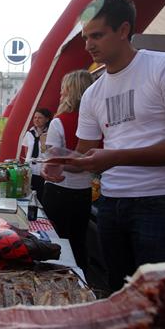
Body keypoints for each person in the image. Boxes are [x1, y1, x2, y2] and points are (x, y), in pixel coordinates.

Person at [43, 0, 165, 291]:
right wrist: (62, 162)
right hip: (111, 203)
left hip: (161, 200)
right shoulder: (93, 92)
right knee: (120, 294)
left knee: (159, 301)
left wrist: (114, 157)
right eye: (85, 37)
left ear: (123, 30)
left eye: (97, 35)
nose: (88, 44)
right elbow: (85, 153)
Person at [42, 70, 94, 271]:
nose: (60, 93)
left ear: (71, 91)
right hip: (84, 190)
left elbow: (53, 160)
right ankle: (82, 283)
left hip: (60, 189)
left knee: (57, 242)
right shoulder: (94, 119)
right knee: (78, 241)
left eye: (64, 88)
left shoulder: (60, 121)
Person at [22, 108, 52, 200]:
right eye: (35, 117)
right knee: (28, 194)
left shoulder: (50, 133)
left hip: (42, 170)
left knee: (41, 195)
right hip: (30, 169)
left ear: (47, 119)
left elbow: (52, 152)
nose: (36, 120)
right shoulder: (29, 133)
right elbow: (26, 151)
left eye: (40, 118)